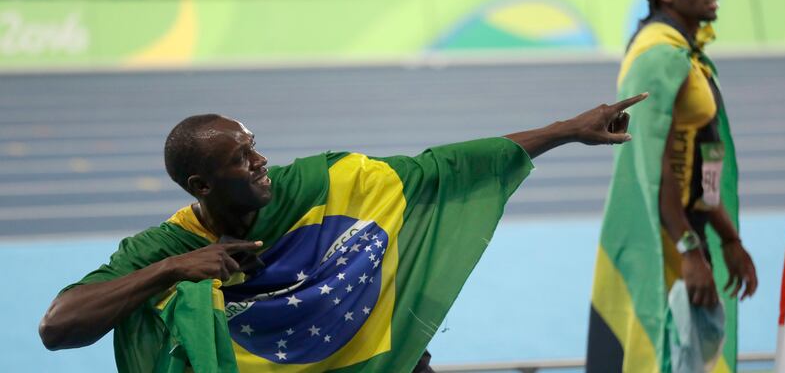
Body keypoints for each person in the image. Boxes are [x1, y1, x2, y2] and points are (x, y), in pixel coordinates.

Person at [39, 94, 646, 372]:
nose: (261, 164)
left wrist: (568, 129)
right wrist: (172, 272)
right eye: (241, 160)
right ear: (201, 185)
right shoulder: (165, 249)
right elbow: (58, 326)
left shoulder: (323, 183)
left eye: (255, 148)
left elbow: (443, 168)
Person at [586, 0, 758, 372]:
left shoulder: (687, 56)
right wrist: (689, 250)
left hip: (688, 231)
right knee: (656, 355)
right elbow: (652, 166)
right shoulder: (657, 57)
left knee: (694, 359)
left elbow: (705, 157)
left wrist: (728, 238)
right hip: (661, 234)